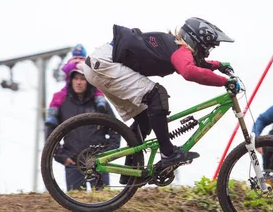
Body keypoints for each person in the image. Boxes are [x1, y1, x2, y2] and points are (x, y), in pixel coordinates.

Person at [83, 17, 236, 179]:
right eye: (207, 48)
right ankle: (168, 153)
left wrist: (217, 65)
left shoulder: (175, 46)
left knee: (145, 118)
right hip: (105, 64)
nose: (206, 52)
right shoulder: (180, 50)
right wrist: (225, 81)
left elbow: (193, 64)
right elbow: (189, 71)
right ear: (197, 40)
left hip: (99, 64)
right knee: (157, 95)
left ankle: (130, 172)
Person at [44, 62, 119, 190]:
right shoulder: (62, 103)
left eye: (83, 79)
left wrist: (107, 154)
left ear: (88, 81)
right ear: (71, 80)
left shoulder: (99, 102)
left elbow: (116, 130)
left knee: (104, 202)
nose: (78, 82)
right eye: (76, 78)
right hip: (73, 163)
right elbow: (51, 133)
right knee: (74, 205)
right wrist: (62, 157)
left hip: (98, 162)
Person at [45, 44, 109, 128]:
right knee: (57, 96)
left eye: (80, 59)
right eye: (75, 58)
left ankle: (100, 102)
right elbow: (64, 69)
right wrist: (77, 65)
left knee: (98, 90)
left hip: (91, 87)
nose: (78, 60)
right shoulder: (70, 66)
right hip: (68, 89)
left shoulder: (88, 65)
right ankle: (52, 114)